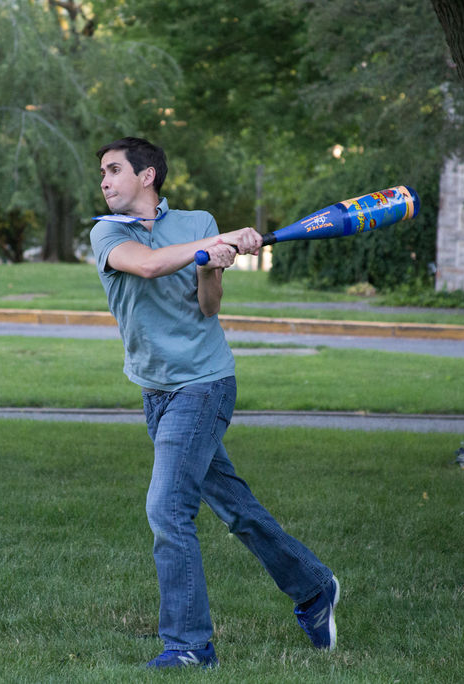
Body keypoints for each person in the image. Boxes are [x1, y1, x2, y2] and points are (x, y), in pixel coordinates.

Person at [89, 137, 339, 668]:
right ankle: (314, 589)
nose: (105, 180)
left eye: (114, 170)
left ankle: (189, 646)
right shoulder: (107, 232)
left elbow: (208, 306)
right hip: (156, 392)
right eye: (103, 173)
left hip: (204, 384)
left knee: (167, 508)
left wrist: (212, 263)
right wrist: (213, 245)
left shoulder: (197, 220)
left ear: (148, 174)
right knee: (235, 508)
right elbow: (151, 266)